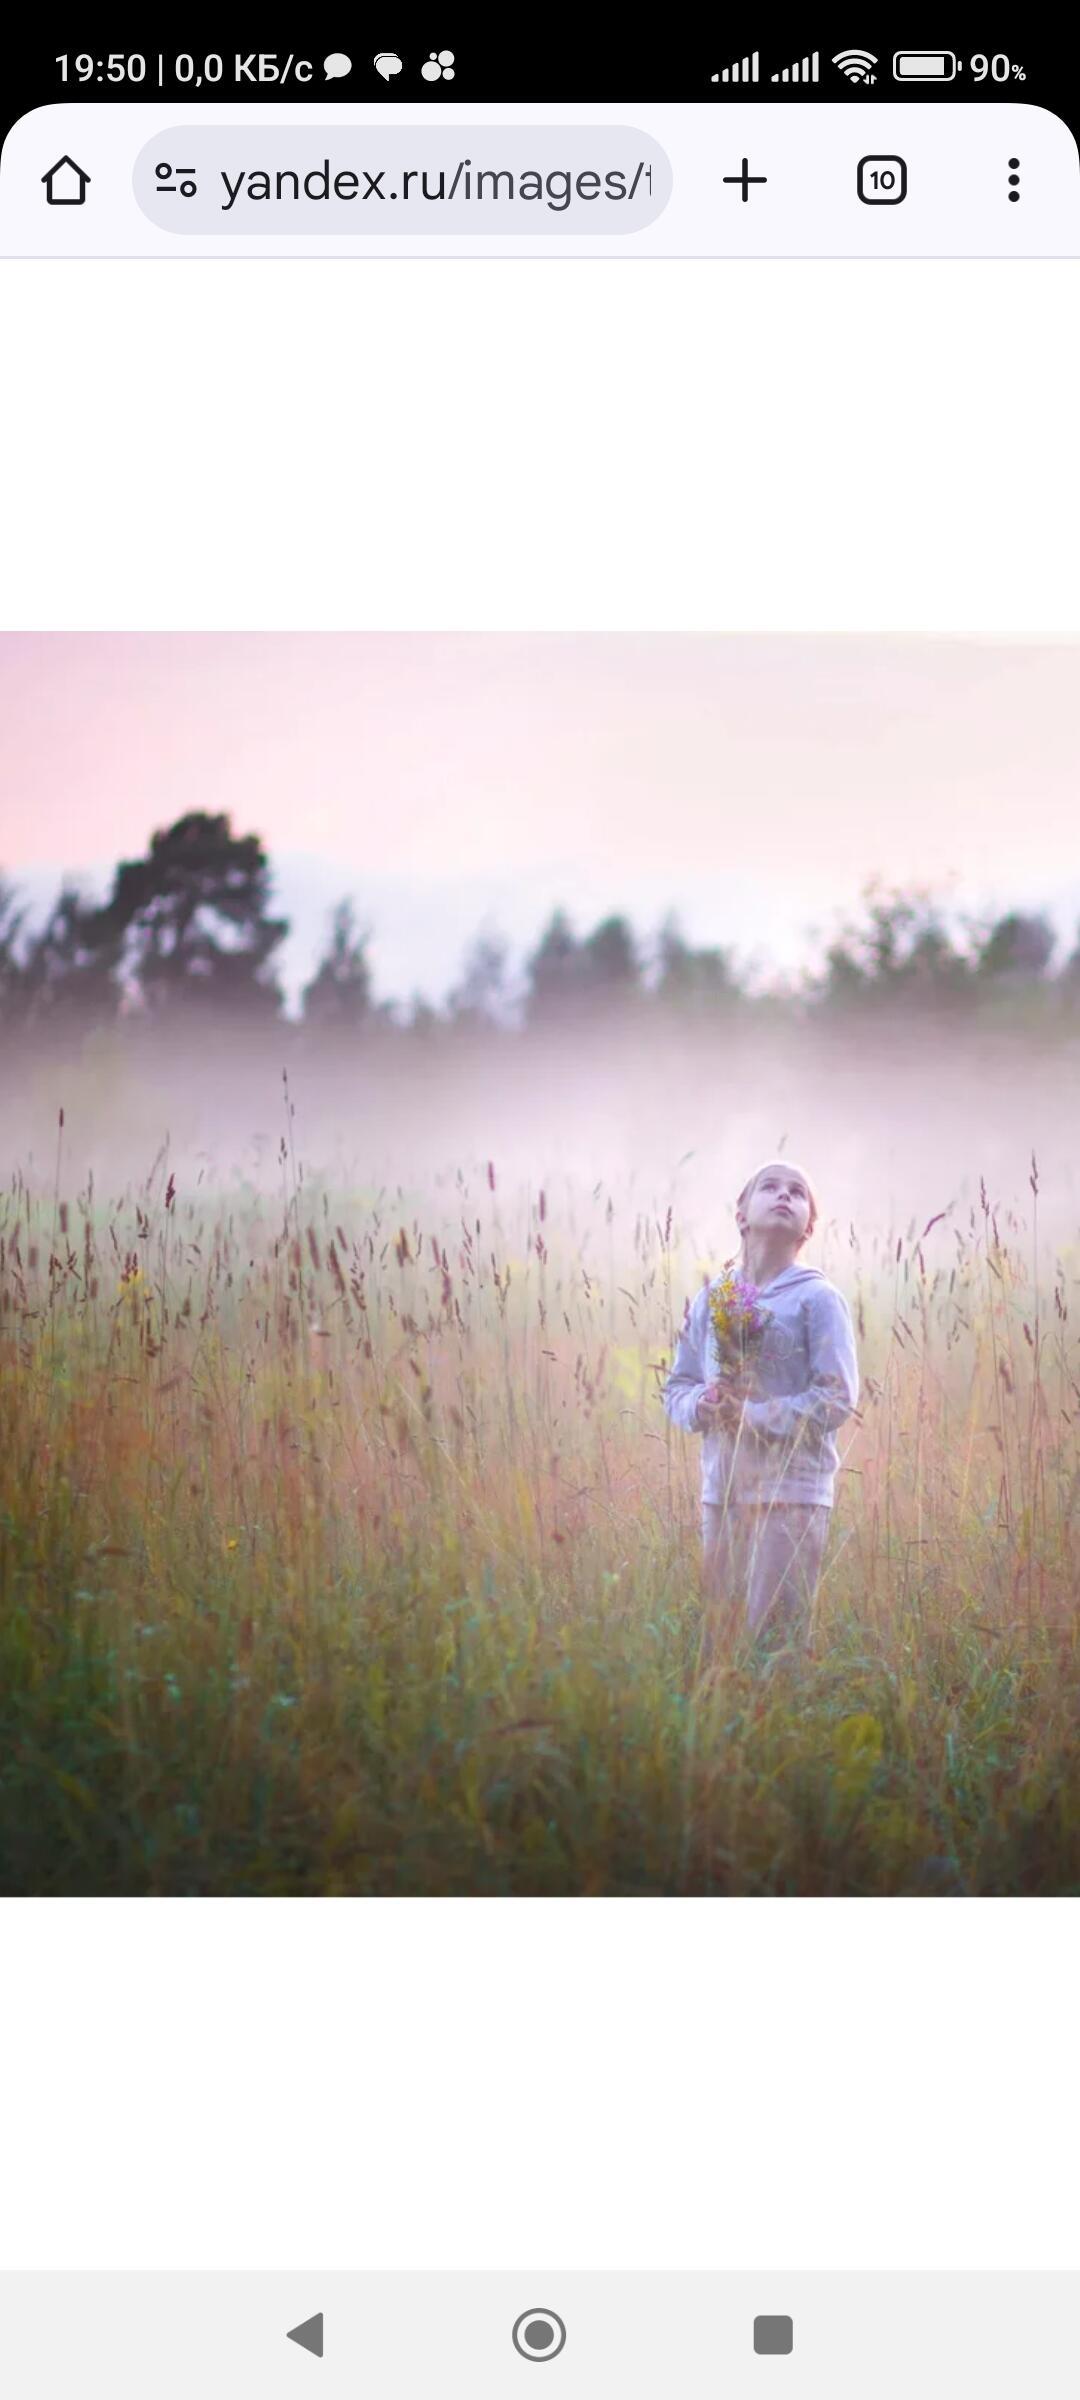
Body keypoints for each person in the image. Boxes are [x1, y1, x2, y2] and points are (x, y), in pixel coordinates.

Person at [661, 1160, 859, 1657]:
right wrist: (704, 1408)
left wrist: (753, 1417)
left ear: (809, 1225)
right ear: (741, 1214)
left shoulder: (818, 1297)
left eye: (798, 1191)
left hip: (791, 1492)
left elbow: (837, 1397)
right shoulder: (714, 1297)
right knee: (721, 1639)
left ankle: (783, 1728)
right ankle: (721, 1730)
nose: (783, 1195)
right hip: (724, 1488)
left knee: (775, 1644)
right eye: (769, 1186)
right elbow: (677, 1386)